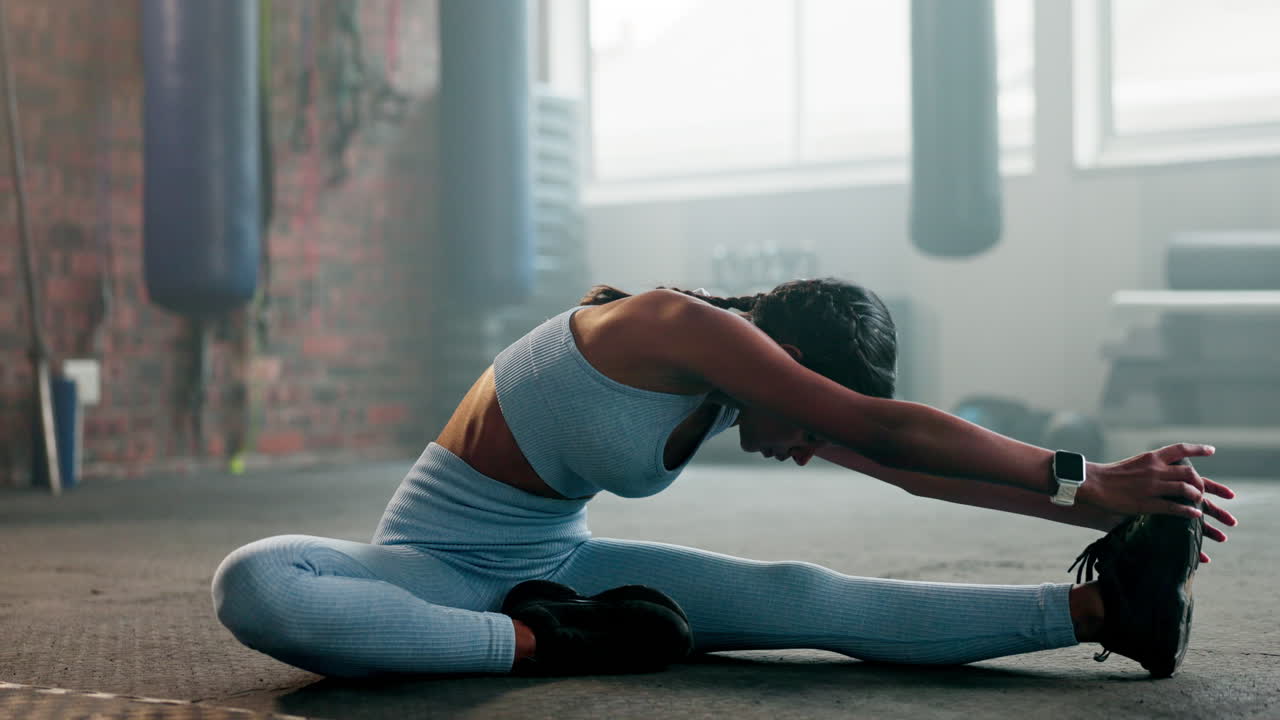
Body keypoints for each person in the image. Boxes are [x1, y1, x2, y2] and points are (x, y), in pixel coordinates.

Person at [212, 278, 1237, 679]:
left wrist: (1087, 513)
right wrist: (1089, 475)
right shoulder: (677, 327)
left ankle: (1106, 610)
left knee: (802, 595)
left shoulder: (730, 383)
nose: (800, 446)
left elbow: (906, 472)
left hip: (556, 558)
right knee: (254, 586)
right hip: (432, 569)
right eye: (802, 417)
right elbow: (877, 427)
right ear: (781, 364)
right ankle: (540, 644)